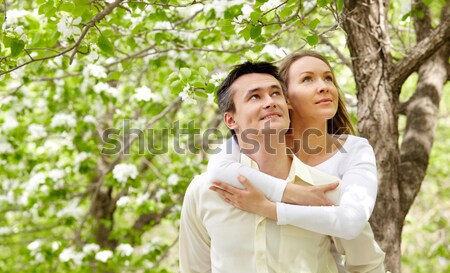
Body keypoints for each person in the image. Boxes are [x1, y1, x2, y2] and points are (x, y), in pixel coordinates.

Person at [207, 51, 385, 272]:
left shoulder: (354, 149)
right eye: (307, 79)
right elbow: (217, 169)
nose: (324, 86)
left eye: (328, 78)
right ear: (286, 98)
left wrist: (268, 208)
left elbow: (351, 222)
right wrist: (293, 193)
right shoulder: (265, 141)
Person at [179, 61, 346, 273]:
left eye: (276, 94)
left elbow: (366, 264)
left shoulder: (324, 187)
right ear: (231, 120)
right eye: (255, 96)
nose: (270, 102)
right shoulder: (204, 192)